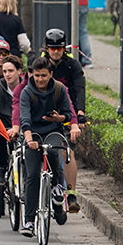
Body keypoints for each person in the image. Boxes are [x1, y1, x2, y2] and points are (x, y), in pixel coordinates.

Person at [18, 56, 82, 237]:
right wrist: (29, 138)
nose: (40, 79)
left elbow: (68, 114)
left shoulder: (59, 89)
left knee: (55, 152)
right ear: (32, 74)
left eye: (44, 76)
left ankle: (57, 188)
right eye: (37, 75)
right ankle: (29, 221)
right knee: (32, 176)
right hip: (33, 134)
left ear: (50, 74)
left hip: (53, 131)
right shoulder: (26, 92)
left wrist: (59, 118)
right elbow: (25, 118)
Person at [36, 28, 86, 210]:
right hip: (41, 113)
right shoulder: (39, 64)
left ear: (64, 48)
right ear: (46, 48)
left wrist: (79, 113)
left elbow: (79, 89)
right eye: (52, 48)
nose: (56, 52)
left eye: (59, 48)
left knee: (67, 152)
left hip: (66, 111)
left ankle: (71, 195)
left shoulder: (72, 65)